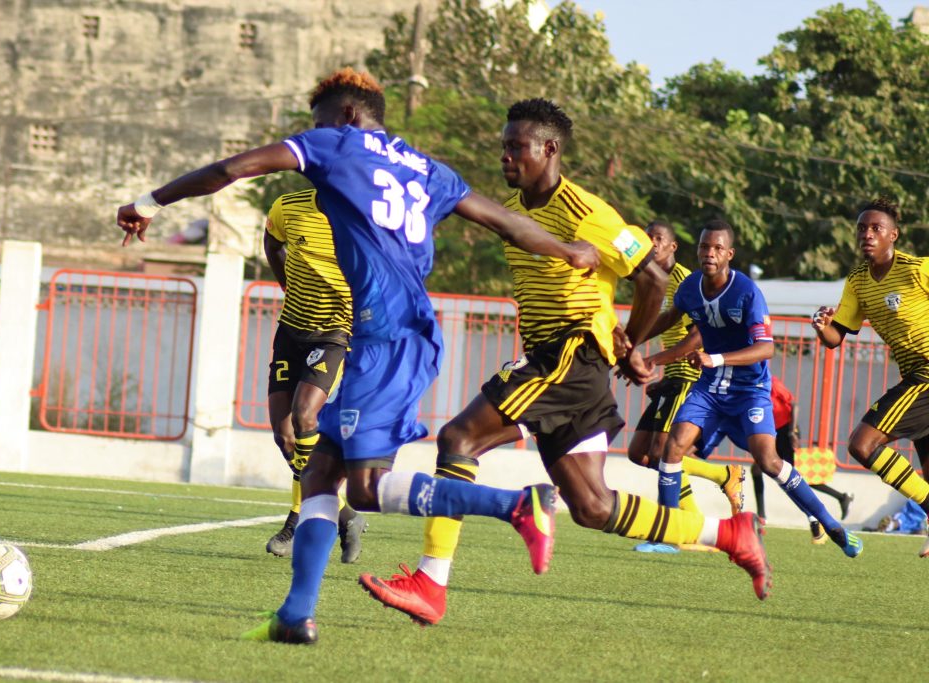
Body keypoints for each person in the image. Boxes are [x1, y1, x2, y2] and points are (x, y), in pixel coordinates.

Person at [117, 68, 601, 645]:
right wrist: (567, 250)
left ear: (346, 115)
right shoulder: (428, 169)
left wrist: (150, 200)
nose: (312, 135)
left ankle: (517, 506)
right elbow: (509, 224)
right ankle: (296, 615)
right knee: (323, 469)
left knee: (367, 487)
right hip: (401, 333)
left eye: (318, 122)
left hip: (384, 339)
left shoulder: (334, 143)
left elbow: (231, 169)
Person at [357, 99, 771, 628]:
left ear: (549, 149)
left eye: (516, 146)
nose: (506, 155)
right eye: (504, 145)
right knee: (593, 507)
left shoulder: (589, 214)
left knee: (459, 439)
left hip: (569, 354)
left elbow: (653, 276)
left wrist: (632, 344)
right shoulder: (513, 205)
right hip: (569, 363)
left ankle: (431, 583)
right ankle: (729, 534)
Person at [654, 219, 861, 565]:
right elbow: (670, 317)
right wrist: (636, 339)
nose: (710, 253)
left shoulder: (747, 292)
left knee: (769, 462)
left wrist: (714, 357)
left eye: (718, 248)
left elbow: (766, 348)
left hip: (749, 390)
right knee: (672, 447)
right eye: (705, 247)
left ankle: (829, 523)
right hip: (710, 388)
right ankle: (668, 535)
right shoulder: (690, 287)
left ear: (729, 254)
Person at [811, 197, 929, 557]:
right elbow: (836, 339)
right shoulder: (858, 282)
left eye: (876, 228)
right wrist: (823, 326)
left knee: (862, 444)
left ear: (893, 235)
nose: (867, 234)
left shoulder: (917, 269)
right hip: (913, 374)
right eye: (862, 227)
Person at [262, 189, 366, 562]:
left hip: (335, 332)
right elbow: (272, 243)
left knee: (306, 415)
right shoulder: (288, 206)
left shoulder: (361, 214)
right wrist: (287, 287)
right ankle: (346, 515)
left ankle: (298, 520)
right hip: (291, 329)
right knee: (284, 433)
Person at [627, 220, 745, 532]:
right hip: (672, 376)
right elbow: (658, 324)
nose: (651, 243)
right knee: (639, 453)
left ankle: (686, 523)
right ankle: (721, 481)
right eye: (646, 238)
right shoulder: (652, 280)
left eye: (658, 238)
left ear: (672, 247)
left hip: (689, 376)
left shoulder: (684, 280)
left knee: (663, 453)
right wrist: (629, 344)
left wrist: (652, 359)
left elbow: (697, 338)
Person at [751, 375, 854, 543]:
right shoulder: (749, 385)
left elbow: (794, 404)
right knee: (762, 470)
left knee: (790, 478)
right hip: (773, 432)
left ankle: (814, 516)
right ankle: (762, 516)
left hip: (787, 430)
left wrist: (792, 432)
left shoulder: (771, 382)